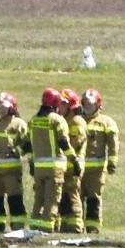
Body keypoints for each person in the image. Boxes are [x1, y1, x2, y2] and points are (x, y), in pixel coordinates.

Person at [22, 88, 81, 233]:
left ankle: (34, 226)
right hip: (55, 168)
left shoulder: (33, 121)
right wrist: (74, 159)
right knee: (52, 200)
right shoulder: (57, 120)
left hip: (39, 168)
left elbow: (26, 145)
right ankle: (47, 229)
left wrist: (31, 162)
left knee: (39, 199)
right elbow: (63, 143)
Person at [0, 92, 28, 232]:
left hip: (12, 171)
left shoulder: (18, 124)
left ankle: (17, 226)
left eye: (4, 107)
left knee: (14, 199)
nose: (1, 110)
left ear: (12, 107)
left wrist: (17, 152)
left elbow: (27, 143)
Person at [80, 88, 119, 233]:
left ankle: (93, 229)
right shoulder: (77, 120)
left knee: (93, 200)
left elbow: (113, 144)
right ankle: (76, 228)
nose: (87, 106)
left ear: (97, 104)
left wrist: (112, 162)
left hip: (96, 172)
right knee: (76, 200)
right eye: (85, 103)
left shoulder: (106, 122)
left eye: (90, 103)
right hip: (77, 170)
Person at [57, 88, 87, 233]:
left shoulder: (76, 121)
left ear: (70, 106)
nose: (59, 107)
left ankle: (75, 226)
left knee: (73, 195)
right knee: (64, 198)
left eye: (63, 104)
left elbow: (76, 143)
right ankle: (65, 225)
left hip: (73, 166)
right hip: (64, 166)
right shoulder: (63, 120)